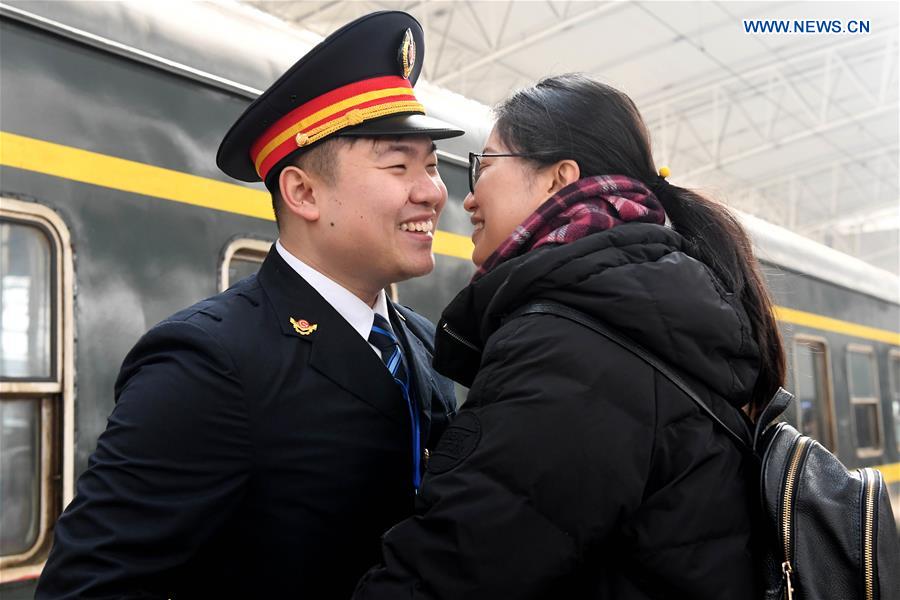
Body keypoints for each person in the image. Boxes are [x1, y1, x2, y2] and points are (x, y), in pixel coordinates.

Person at [36, 11, 462, 599]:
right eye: (399, 164)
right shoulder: (210, 363)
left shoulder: (420, 343)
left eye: (433, 165)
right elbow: (89, 588)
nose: (433, 192)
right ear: (303, 192)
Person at [354, 73, 785, 600]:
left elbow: (455, 571)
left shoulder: (572, 343)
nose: (465, 199)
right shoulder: (640, 305)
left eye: (484, 167)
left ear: (559, 179)